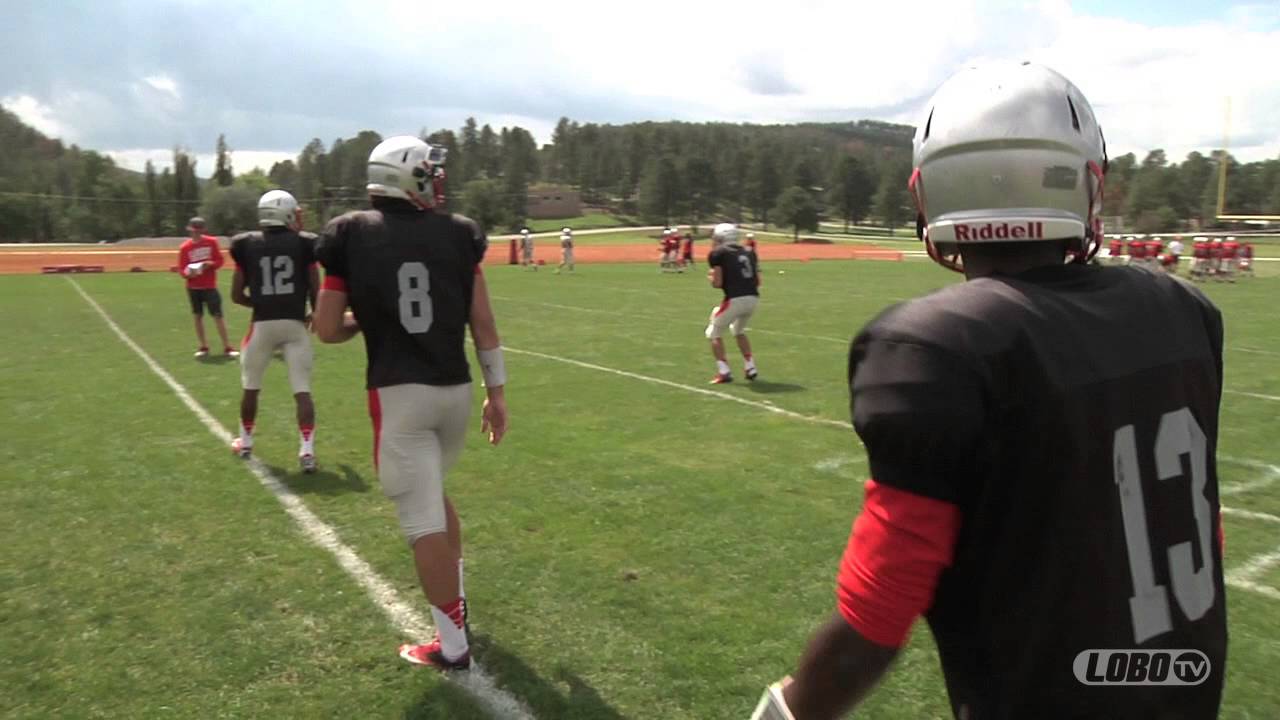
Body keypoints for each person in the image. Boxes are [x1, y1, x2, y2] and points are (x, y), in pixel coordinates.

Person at [754, 63, 1225, 720]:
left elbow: (878, 614)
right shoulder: (1183, 307)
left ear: (928, 192)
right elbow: (1198, 522)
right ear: (1086, 183)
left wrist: (785, 710)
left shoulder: (935, 345)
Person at [313, 135, 508, 671]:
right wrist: (498, 394)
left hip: (400, 395)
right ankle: (458, 611)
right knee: (436, 498)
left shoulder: (350, 234)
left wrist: (363, 321)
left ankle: (452, 645)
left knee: (422, 522)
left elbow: (327, 329)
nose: (438, 180)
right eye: (430, 171)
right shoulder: (461, 234)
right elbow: (484, 326)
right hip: (458, 392)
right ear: (409, 176)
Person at [228, 190, 320, 472]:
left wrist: (261, 305)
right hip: (294, 324)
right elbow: (317, 292)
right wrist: (310, 314)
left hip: (262, 324)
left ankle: (245, 442)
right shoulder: (306, 244)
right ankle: (306, 451)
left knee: (251, 387)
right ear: (287, 213)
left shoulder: (246, 244)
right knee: (302, 391)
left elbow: (235, 294)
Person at [705, 222, 760, 383]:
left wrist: (711, 277)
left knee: (713, 332)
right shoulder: (749, 252)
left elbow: (717, 283)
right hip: (753, 298)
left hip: (735, 299)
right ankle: (750, 366)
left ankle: (724, 371)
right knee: (738, 330)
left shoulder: (718, 253)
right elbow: (757, 280)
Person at [178, 217, 237, 358]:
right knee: (197, 316)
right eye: (193, 231)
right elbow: (182, 269)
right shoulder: (185, 247)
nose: (196, 234)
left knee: (217, 316)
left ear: (203, 230)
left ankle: (227, 347)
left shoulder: (212, 242)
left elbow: (220, 260)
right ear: (189, 230)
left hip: (209, 286)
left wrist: (210, 264)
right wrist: (188, 274)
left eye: (198, 230)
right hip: (193, 287)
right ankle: (203, 346)